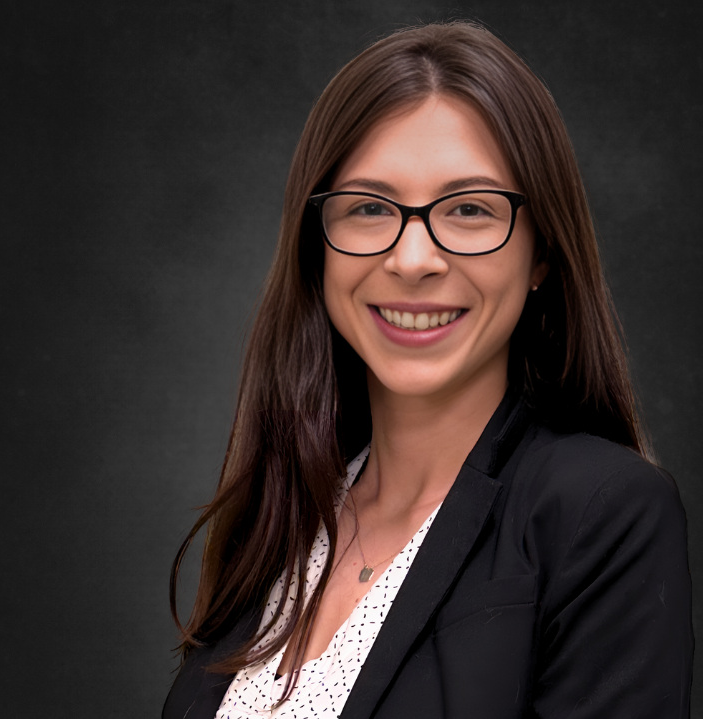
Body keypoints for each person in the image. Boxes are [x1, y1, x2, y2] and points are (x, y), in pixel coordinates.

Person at [163, 22, 693, 719]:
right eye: (369, 208)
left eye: (470, 208)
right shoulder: (281, 516)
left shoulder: (602, 512)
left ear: (541, 254)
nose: (413, 260)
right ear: (316, 249)